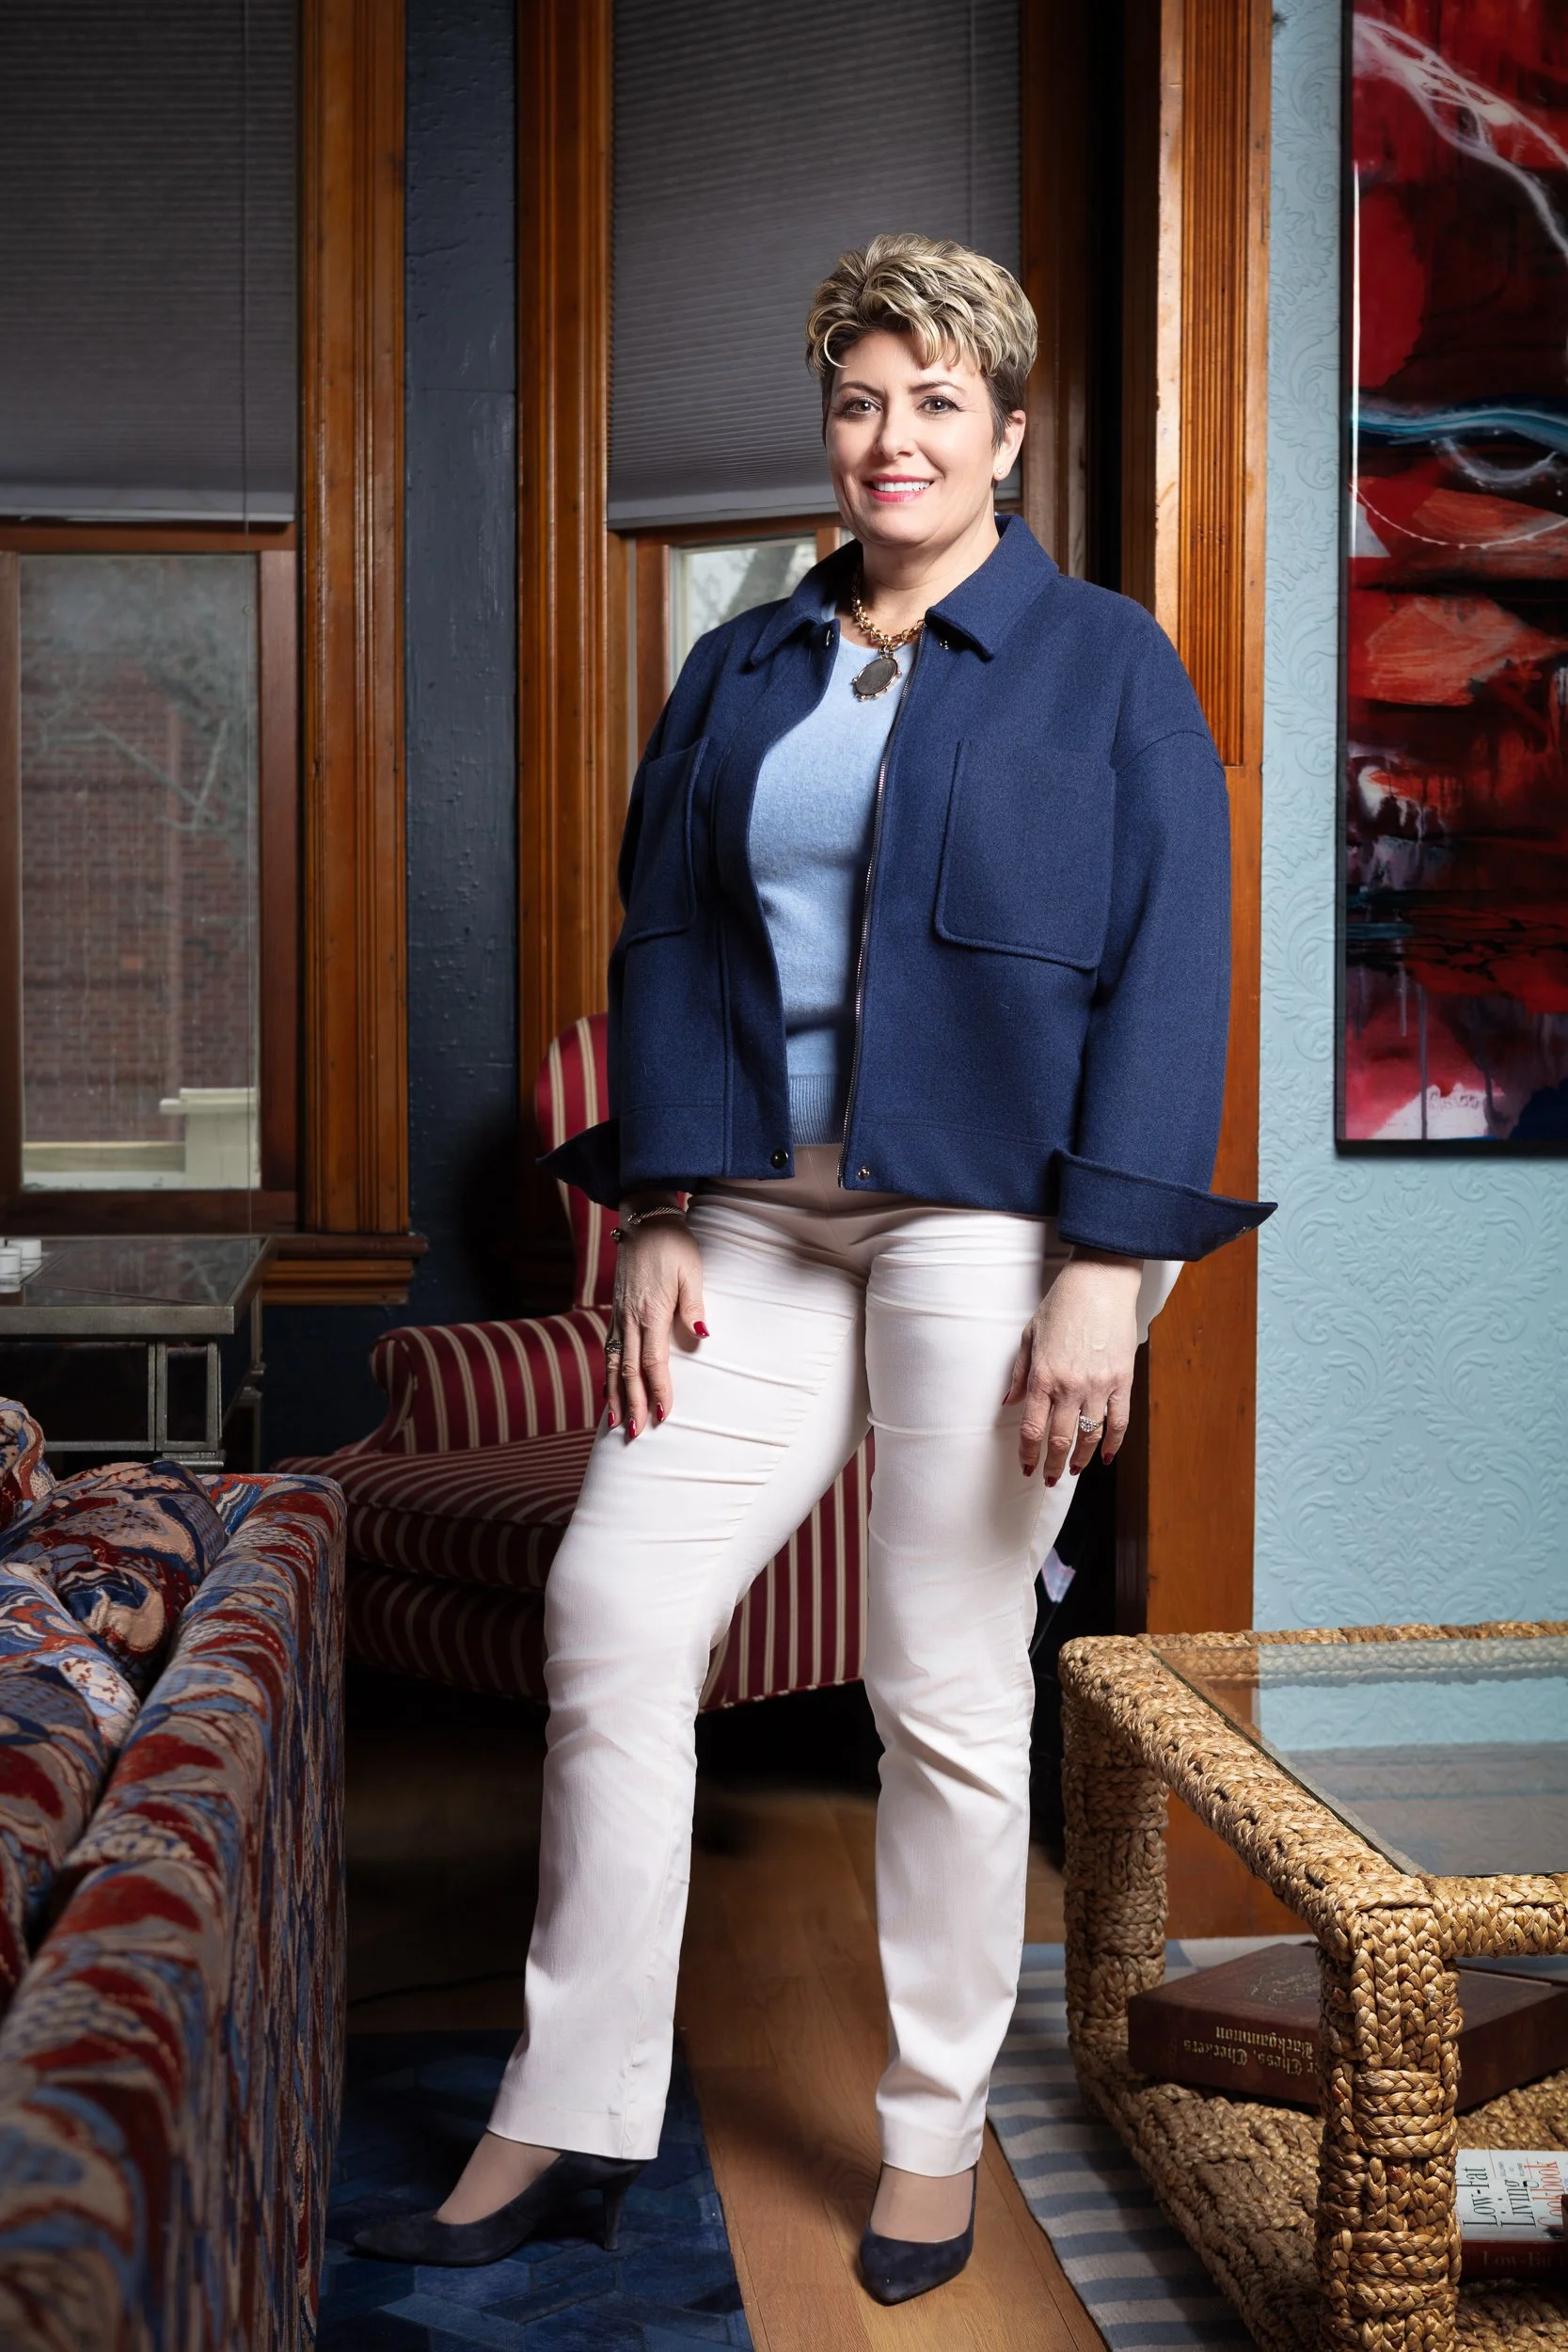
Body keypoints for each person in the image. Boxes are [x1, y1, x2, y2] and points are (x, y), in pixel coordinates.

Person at [356, 231, 1271, 2303]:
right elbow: (665, 944)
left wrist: (1104, 1270)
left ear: (1007, 434)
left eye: (936, 401)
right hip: (755, 1216)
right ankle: (566, 2106)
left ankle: (931, 2127)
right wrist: (660, 1209)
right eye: (860, 401)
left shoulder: (1105, 663)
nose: (892, 438)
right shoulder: (744, 665)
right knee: (611, 1605)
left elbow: (1170, 972)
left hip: (990, 1218)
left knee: (938, 1678)